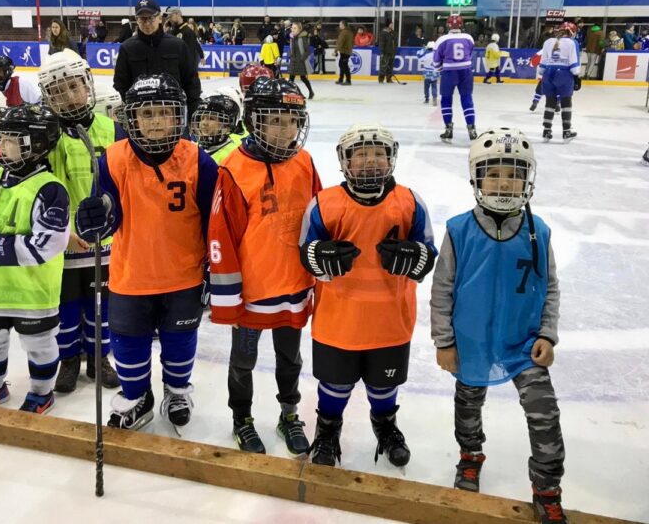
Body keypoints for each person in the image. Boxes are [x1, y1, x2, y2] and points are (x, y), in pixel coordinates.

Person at [430, 128, 567, 524]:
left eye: (514, 173)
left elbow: (550, 286)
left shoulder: (538, 231)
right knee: (467, 407)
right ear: (477, 177)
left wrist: (546, 334)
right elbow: (442, 291)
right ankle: (470, 457)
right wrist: (444, 341)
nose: (505, 182)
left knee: (545, 416)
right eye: (494, 173)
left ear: (529, 179)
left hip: (523, 346)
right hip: (470, 344)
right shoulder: (459, 230)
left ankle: (547, 489)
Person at [75, 74, 218, 432]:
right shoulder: (112, 159)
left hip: (184, 276)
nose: (156, 121)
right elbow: (107, 219)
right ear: (133, 118)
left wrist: (216, 269)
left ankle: (176, 390)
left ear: (179, 116)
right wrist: (94, 221)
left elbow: (213, 223)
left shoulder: (198, 161)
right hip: (130, 275)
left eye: (164, 113)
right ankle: (137, 396)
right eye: (147, 113)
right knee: (128, 342)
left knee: (179, 340)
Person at [299, 124, 436, 469]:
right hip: (337, 322)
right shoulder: (324, 202)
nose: (369, 161)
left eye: (378, 153)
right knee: (335, 383)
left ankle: (386, 427)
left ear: (391, 159)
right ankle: (328, 431)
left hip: (390, 322)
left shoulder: (409, 200)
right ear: (345, 161)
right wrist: (316, 256)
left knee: (383, 385)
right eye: (360, 154)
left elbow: (428, 252)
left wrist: (418, 255)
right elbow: (304, 253)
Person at [208, 77, 321, 456]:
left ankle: (289, 414)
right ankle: (242, 418)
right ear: (254, 120)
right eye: (275, 120)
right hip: (251, 294)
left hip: (293, 287)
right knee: (243, 360)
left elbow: (319, 220)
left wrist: (320, 276)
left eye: (292, 121)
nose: (286, 130)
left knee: (291, 358)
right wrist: (228, 296)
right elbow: (222, 235)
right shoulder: (235, 168)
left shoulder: (304, 162)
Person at [0, 104, 69, 415]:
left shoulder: (50, 189)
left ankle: (41, 392)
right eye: (1, 138)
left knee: (39, 344)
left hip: (34, 292)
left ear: (36, 145)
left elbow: (47, 246)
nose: (1, 146)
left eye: (11, 139)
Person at [37, 50, 123, 394]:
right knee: (66, 308)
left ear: (87, 85)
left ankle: (98, 357)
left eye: (73, 87)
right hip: (64, 244)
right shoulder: (45, 135)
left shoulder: (112, 128)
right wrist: (61, 232)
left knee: (100, 307)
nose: (67, 97)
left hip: (105, 243)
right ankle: (69, 359)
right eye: (57, 92)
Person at [112, 0, 202, 117]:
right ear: (136, 20)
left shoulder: (177, 46)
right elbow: (120, 84)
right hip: (141, 119)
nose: (147, 23)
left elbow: (191, 81)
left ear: (159, 18)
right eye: (142, 19)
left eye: (151, 18)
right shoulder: (127, 48)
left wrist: (191, 114)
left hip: (174, 117)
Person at [434, 14, 477, 143]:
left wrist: (441, 69)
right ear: (461, 24)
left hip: (449, 72)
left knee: (446, 100)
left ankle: (448, 129)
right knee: (467, 98)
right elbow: (470, 53)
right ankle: (472, 129)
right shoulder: (469, 38)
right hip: (466, 71)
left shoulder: (441, 40)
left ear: (447, 25)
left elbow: (436, 61)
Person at [539, 22, 580, 142]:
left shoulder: (548, 42)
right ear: (572, 32)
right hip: (564, 74)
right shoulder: (572, 43)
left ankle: (546, 131)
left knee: (550, 103)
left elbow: (543, 64)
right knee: (566, 103)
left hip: (548, 74)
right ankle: (566, 132)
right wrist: (576, 78)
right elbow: (574, 65)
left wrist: (543, 74)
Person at [190, 94, 243, 164]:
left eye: (211, 118)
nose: (204, 123)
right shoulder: (193, 147)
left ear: (226, 126)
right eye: (202, 118)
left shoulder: (232, 155)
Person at [287, 21, 315, 100]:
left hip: (300, 62)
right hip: (293, 61)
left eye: (295, 28)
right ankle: (298, 94)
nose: (292, 29)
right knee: (291, 80)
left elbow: (307, 51)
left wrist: (302, 59)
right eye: (292, 28)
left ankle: (311, 92)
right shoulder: (292, 38)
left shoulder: (302, 38)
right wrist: (290, 54)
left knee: (303, 78)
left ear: (299, 29)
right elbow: (292, 49)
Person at [417, 41, 438, 106]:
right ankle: (434, 98)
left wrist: (423, 49)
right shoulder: (436, 55)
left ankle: (427, 99)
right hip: (434, 72)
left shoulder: (426, 55)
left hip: (427, 73)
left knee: (426, 87)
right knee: (434, 86)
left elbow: (418, 56)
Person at [335, 20, 354, 86]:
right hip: (347, 51)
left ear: (343, 25)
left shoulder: (344, 32)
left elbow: (340, 42)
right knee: (342, 64)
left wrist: (336, 50)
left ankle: (348, 80)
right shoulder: (350, 32)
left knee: (344, 65)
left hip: (345, 51)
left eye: (340, 24)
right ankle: (341, 79)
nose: (339, 26)